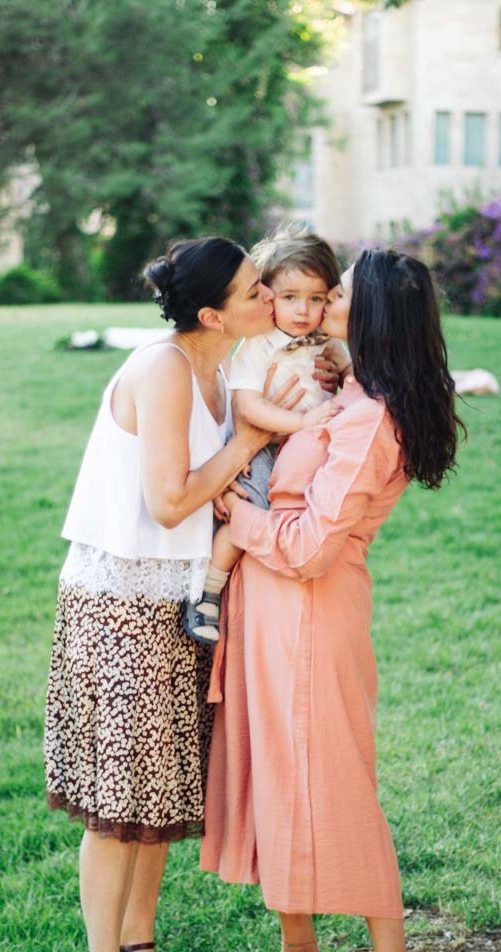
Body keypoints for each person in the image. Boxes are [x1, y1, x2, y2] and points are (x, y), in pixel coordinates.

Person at [44, 236, 309, 952]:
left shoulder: (220, 368)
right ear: (210, 312)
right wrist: (251, 443)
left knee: (155, 800)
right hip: (120, 605)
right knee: (119, 806)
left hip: (177, 602)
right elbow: (168, 501)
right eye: (256, 291)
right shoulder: (162, 370)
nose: (270, 300)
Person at [200, 249, 466, 952]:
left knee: (337, 782)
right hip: (270, 606)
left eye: (340, 290)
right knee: (278, 773)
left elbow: (314, 545)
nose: (325, 298)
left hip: (313, 612)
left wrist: (238, 518)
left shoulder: (374, 418)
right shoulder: (348, 387)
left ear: (373, 309)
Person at [182, 226, 350, 645]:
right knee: (248, 515)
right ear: (270, 296)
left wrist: (345, 372)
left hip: (308, 451)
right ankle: (208, 592)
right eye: (290, 298)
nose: (303, 311)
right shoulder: (258, 346)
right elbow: (249, 407)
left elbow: (350, 375)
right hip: (262, 448)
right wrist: (300, 424)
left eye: (316, 299)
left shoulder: (327, 340)